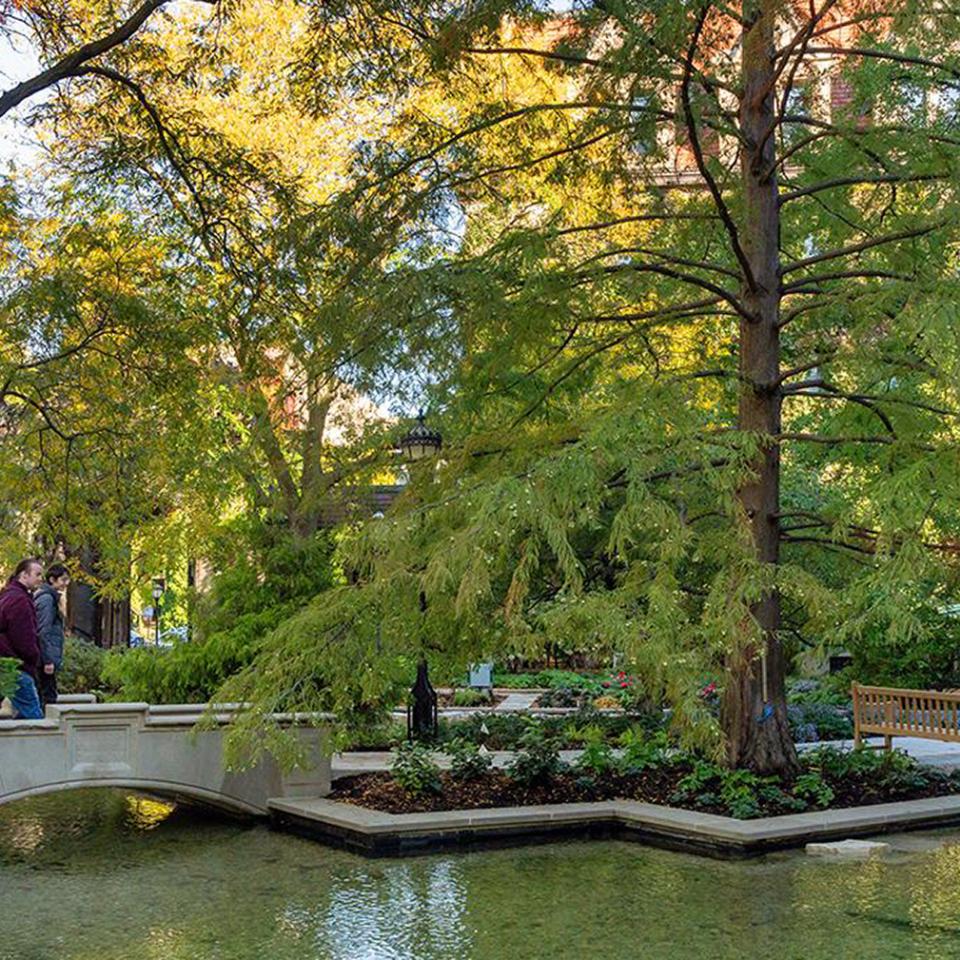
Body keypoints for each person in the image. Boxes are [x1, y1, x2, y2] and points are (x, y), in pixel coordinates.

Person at [0, 558, 44, 719]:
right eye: (37, 574)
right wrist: (34, 657)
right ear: (24, 575)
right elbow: (24, 636)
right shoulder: (19, 600)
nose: (40, 579)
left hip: (6, 662)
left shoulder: (7, 595)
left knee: (23, 714)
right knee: (34, 718)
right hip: (16, 665)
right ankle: (40, 745)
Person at [34, 563, 69, 706]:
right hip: (45, 659)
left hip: (47, 656)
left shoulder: (50, 598)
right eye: (63, 580)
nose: (66, 584)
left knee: (47, 695)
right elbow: (43, 631)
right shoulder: (47, 599)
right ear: (52, 580)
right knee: (48, 697)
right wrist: (48, 660)